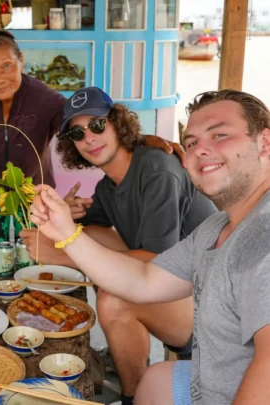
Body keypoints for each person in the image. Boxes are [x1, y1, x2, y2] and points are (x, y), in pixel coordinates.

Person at [29, 89, 270, 405]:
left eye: (220, 135)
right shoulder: (216, 227)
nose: (199, 151)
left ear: (265, 143)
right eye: (193, 142)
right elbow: (143, 276)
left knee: (114, 299)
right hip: (207, 355)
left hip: (196, 318)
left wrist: (61, 253)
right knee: (154, 378)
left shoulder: (260, 239)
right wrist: (64, 228)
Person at [0, 28, 181, 243]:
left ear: (21, 60)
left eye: (7, 65)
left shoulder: (45, 99)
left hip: (36, 191)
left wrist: (141, 139)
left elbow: (83, 129)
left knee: (35, 248)